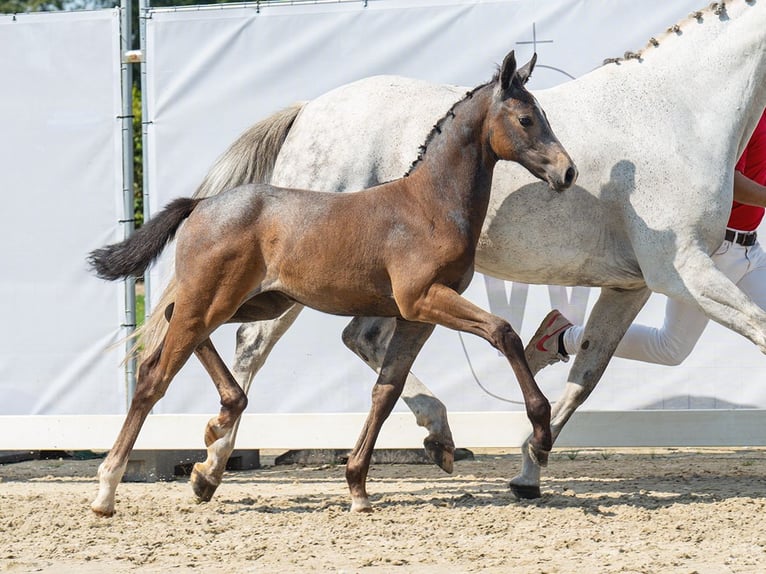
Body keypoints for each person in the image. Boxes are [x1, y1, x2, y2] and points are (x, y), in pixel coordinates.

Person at [525, 109, 766, 373]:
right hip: (713, 253)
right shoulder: (746, 113)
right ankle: (561, 338)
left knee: (671, 349)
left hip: (749, 252)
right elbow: (726, 181)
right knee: (670, 349)